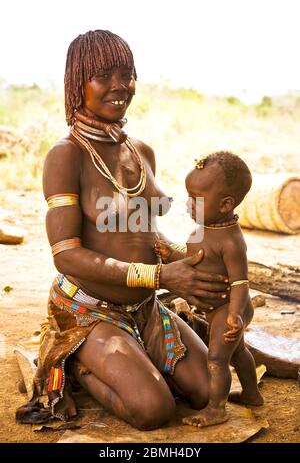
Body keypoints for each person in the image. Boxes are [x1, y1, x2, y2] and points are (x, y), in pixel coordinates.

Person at [22, 30, 230, 431]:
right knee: (154, 410)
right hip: (88, 308)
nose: (120, 86)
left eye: (128, 74)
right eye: (104, 75)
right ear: (77, 82)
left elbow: (144, 233)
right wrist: (160, 275)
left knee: (210, 390)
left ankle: (135, 355)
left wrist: (191, 259)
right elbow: (65, 255)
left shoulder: (141, 151)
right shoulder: (66, 156)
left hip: (145, 308)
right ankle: (75, 359)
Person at [155, 151, 264, 428]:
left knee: (216, 358)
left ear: (226, 204)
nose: (189, 205)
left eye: (196, 199)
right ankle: (252, 395)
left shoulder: (231, 242)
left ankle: (216, 409)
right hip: (222, 307)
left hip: (228, 308)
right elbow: (197, 262)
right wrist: (172, 255)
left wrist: (235, 316)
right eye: (188, 197)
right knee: (238, 352)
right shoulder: (207, 228)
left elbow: (241, 282)